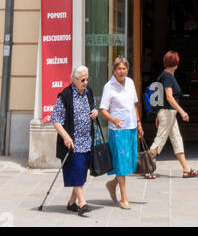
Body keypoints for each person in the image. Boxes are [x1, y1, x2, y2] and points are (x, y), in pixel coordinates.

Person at [50, 65, 99, 216]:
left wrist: (95, 113)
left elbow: (94, 107)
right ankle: (82, 203)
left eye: (87, 79)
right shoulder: (65, 95)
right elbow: (55, 119)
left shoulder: (88, 92)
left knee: (82, 172)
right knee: (76, 170)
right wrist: (65, 136)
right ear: (74, 80)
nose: (85, 82)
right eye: (82, 80)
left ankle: (71, 202)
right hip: (72, 142)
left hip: (86, 140)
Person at [99, 56, 144, 210]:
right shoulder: (109, 86)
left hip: (131, 127)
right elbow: (103, 109)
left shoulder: (130, 83)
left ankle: (112, 185)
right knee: (121, 163)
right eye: (119, 68)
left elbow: (134, 105)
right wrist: (113, 119)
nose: (122, 71)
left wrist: (138, 123)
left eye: (124, 68)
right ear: (114, 70)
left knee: (128, 162)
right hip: (117, 130)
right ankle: (124, 198)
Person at [148, 50, 198, 177]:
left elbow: (161, 98)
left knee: (177, 139)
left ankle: (186, 169)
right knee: (159, 140)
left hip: (167, 113)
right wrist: (182, 112)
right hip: (167, 113)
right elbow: (169, 97)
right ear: (176, 63)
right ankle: (147, 168)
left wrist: (158, 114)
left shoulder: (164, 76)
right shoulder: (167, 77)